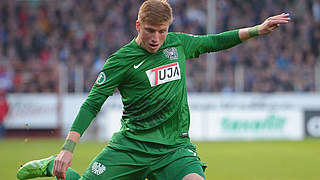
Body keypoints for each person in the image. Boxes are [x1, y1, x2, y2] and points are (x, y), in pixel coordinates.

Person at [16, 0, 290, 179]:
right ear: (138, 25)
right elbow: (92, 103)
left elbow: (214, 41)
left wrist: (256, 30)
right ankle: (53, 165)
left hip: (174, 148)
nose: (156, 38)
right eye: (150, 31)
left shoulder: (178, 44)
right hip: (132, 146)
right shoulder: (120, 61)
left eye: (162, 31)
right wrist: (67, 148)